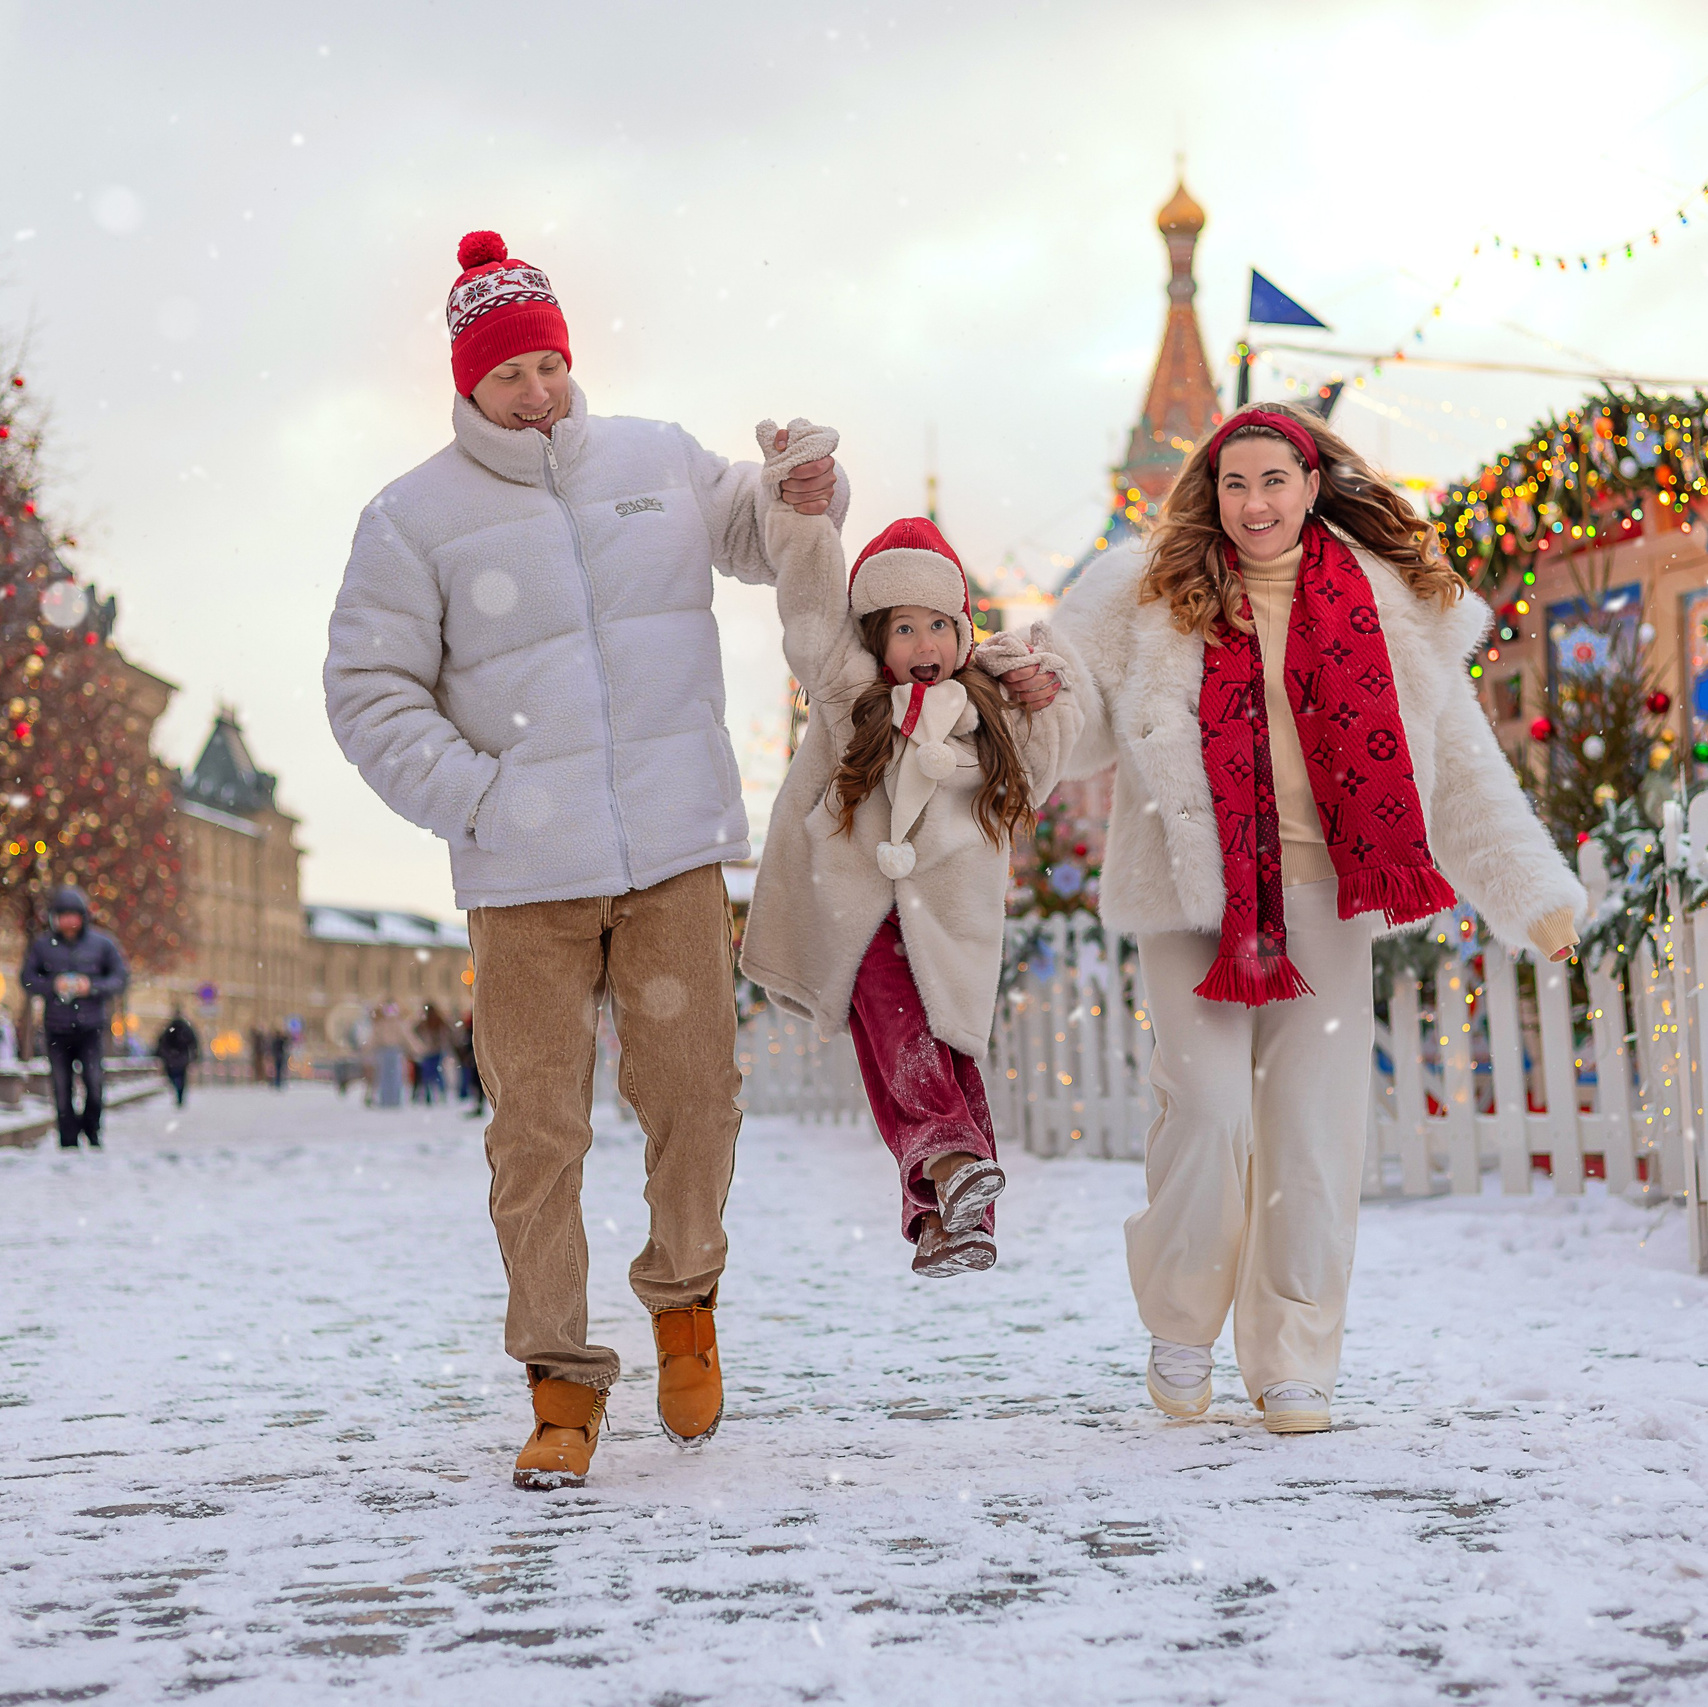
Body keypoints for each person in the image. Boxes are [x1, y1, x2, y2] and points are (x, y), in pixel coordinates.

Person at [324, 230, 845, 1490]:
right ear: (467, 382)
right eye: (512, 375)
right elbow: (366, 691)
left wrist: (799, 488)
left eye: (551, 363)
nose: (539, 390)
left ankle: (685, 1311)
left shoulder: (653, 458)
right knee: (537, 1133)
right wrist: (481, 802)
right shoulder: (412, 517)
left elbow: (752, 530)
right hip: (522, 881)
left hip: (669, 853)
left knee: (696, 1099)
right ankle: (559, 1380)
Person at [1051, 402, 1584, 1435]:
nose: (1253, 503)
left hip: (1329, 893)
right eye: (1233, 483)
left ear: (1309, 486)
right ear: (1211, 493)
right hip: (1192, 887)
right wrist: (1031, 688)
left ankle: (1294, 1350)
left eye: (1272, 481)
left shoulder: (1391, 604)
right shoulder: (1144, 590)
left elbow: (1462, 776)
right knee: (1203, 1109)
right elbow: (1071, 719)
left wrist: (1535, 898)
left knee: (1311, 1132)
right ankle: (1179, 1314)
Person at [740, 421, 1082, 1275]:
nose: (923, 646)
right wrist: (802, 510)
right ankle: (952, 1163)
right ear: (874, 638)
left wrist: (1042, 698)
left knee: (947, 1059)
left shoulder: (985, 716)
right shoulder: (848, 693)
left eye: (939, 624)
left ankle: (950, 1220)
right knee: (903, 1041)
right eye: (903, 629)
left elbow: (1041, 767)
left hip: (949, 919)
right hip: (861, 913)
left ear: (962, 631)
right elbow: (812, 603)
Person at [19, 885, 129, 1150]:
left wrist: (91, 987)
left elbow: (120, 978)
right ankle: (67, 1139)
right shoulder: (43, 946)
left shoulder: (102, 944)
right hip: (56, 1028)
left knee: (94, 1082)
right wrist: (51, 986)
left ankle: (91, 1130)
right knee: (61, 1086)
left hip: (91, 1027)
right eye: (63, 915)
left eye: (73, 915)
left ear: (82, 916)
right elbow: (27, 978)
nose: (69, 921)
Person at [367, 1003, 415, 1108]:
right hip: (392, 1052)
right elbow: (407, 1039)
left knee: (386, 1077)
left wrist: (368, 1049)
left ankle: (387, 1100)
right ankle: (393, 1100)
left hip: (387, 1052)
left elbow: (373, 1039)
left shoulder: (381, 1024)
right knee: (394, 1077)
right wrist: (416, 1049)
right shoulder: (398, 1024)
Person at [154, 1009, 201, 1107]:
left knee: (173, 1076)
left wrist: (159, 1054)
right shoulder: (185, 1028)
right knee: (181, 1077)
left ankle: (177, 1090)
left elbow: (162, 1041)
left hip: (171, 1058)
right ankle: (180, 1094)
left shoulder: (170, 1028)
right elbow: (193, 1043)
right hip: (182, 1058)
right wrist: (195, 1055)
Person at [415, 1003, 450, 1105]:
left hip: (432, 1050)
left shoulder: (432, 1021)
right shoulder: (432, 1021)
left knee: (430, 1073)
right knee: (434, 1073)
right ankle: (433, 1094)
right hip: (432, 1050)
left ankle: (431, 1095)